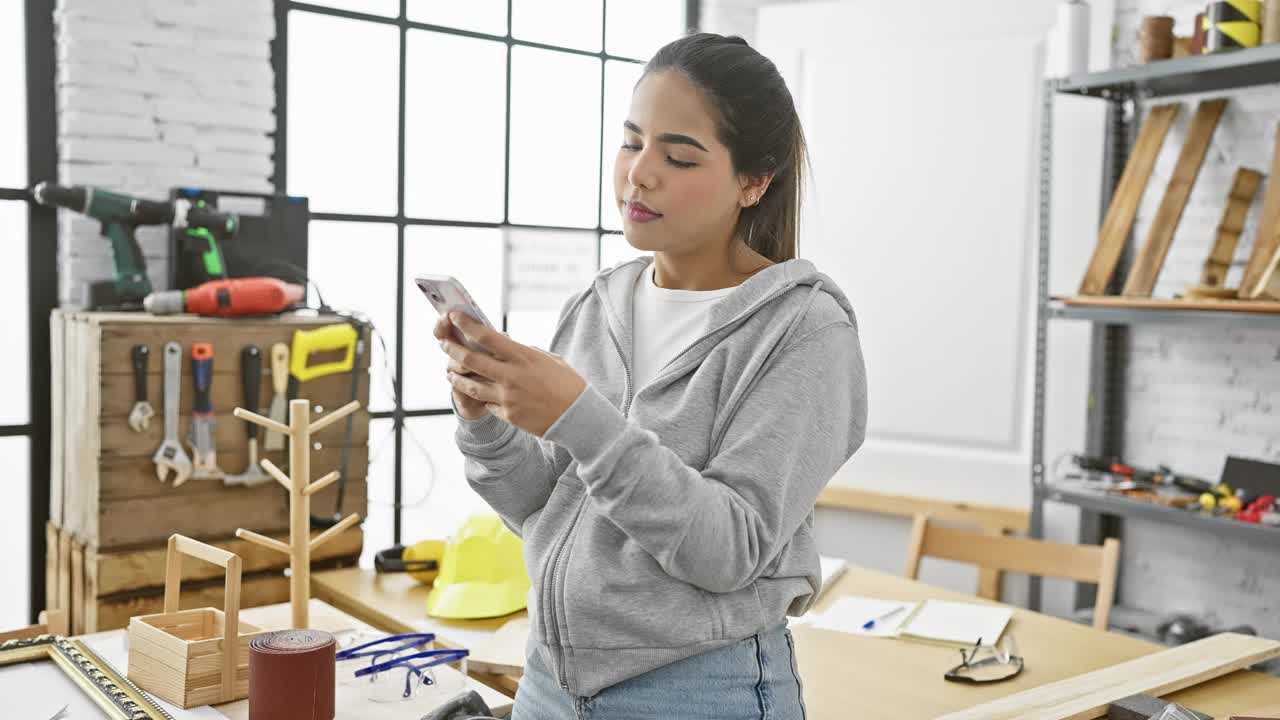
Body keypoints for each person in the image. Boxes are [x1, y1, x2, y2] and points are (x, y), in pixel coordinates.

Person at [433, 32, 867, 720]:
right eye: (632, 142)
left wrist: (579, 416)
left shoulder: (804, 329)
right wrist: (483, 420)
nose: (640, 173)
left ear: (754, 181)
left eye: (678, 155)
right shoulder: (599, 303)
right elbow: (545, 512)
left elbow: (730, 550)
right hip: (549, 681)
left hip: (698, 694)